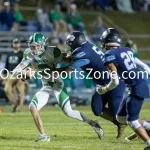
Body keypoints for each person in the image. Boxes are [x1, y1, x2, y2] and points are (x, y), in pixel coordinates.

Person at [13, 32, 104, 142]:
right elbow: (21, 65)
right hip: (46, 86)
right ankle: (43, 136)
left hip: (57, 84)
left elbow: (68, 61)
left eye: (38, 45)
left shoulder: (52, 51)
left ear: (43, 44)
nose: (35, 48)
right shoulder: (28, 53)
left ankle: (93, 123)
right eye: (33, 46)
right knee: (33, 107)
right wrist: (18, 73)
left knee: (68, 112)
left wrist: (73, 59)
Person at [59, 31, 150, 139]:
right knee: (97, 109)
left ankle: (143, 124)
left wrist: (50, 70)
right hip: (103, 83)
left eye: (70, 44)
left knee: (119, 114)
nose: (69, 46)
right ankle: (120, 124)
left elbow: (68, 69)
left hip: (114, 82)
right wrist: (57, 57)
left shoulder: (83, 52)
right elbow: (70, 60)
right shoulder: (85, 47)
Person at [96, 28, 150, 149]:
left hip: (136, 88)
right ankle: (146, 126)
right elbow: (144, 66)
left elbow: (114, 81)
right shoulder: (127, 50)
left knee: (132, 121)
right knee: (120, 118)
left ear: (105, 41)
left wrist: (104, 89)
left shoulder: (109, 54)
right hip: (139, 85)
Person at [4, 38, 24, 112]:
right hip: (11, 75)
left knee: (20, 92)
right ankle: (15, 104)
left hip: (20, 75)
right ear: (12, 44)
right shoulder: (9, 54)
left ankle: (19, 108)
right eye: (15, 43)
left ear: (20, 44)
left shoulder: (22, 54)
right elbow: (6, 66)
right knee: (7, 90)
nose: (16, 44)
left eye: (17, 43)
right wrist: (5, 75)